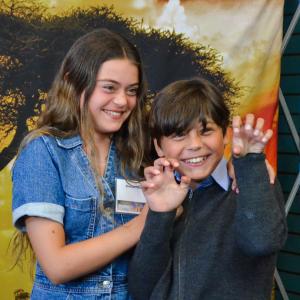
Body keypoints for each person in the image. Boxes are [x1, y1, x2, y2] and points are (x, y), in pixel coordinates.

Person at [11, 28, 149, 299]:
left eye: (131, 91)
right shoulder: (43, 151)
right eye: (109, 87)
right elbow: (57, 266)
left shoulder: (139, 151)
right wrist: (143, 224)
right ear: (72, 81)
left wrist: (232, 168)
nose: (122, 101)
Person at [128, 77, 287, 300]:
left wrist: (250, 166)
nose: (194, 144)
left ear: (225, 135)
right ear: (158, 145)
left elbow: (261, 243)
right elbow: (142, 289)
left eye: (206, 131)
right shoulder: (157, 191)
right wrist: (160, 215)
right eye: (179, 134)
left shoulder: (252, 182)